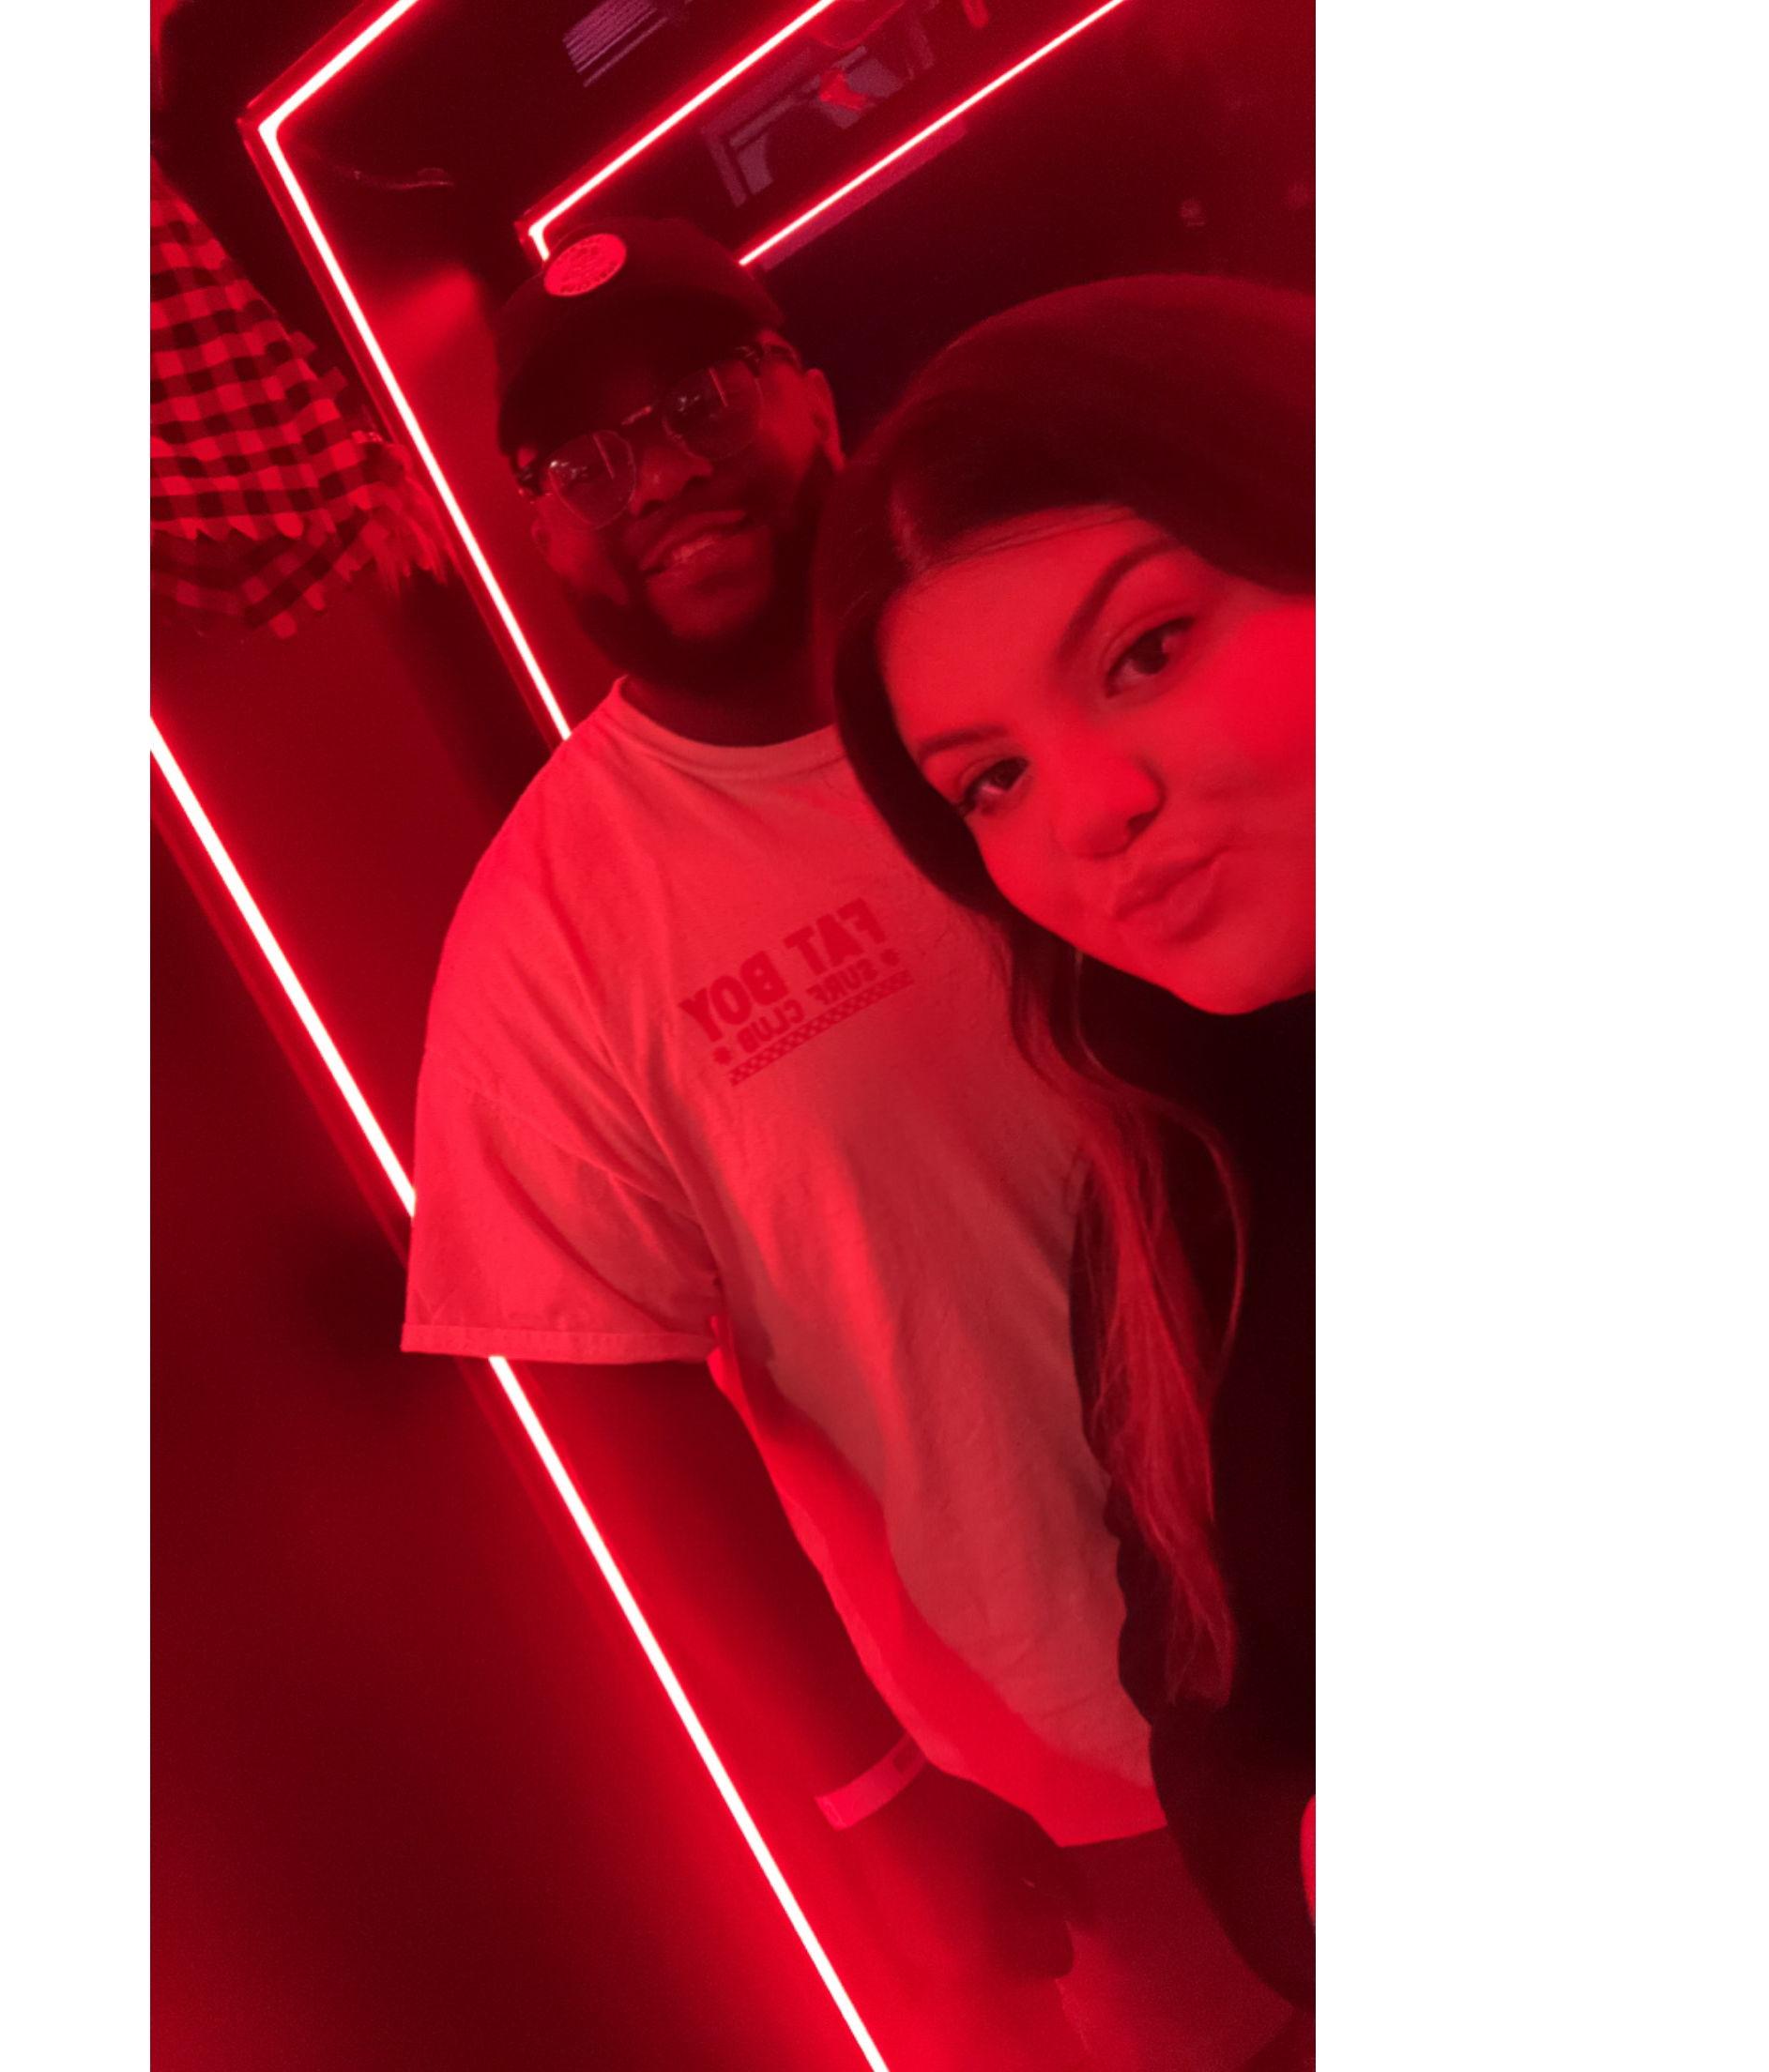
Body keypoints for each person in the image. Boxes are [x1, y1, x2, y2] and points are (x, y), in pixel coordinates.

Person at [400, 220, 1292, 2067]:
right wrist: (866, 1787)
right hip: (1087, 1757)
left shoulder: (1060, 676)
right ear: (537, 528)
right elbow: (601, 1394)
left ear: (809, 393)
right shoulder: (552, 932)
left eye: (696, 401)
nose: (660, 478)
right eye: (583, 460)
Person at [816, 273, 1317, 2037]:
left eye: (1149, 651)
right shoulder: (1174, 1183)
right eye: (993, 783)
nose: (1094, 811)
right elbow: (1201, 1698)